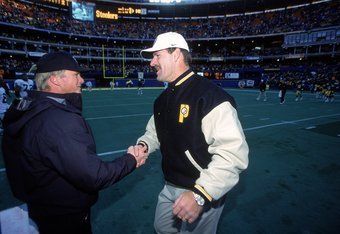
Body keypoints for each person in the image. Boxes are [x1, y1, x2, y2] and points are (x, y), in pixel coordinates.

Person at [2, 51, 148, 234]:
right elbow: (94, 175)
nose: (82, 80)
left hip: (41, 206)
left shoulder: (29, 107)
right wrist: (131, 160)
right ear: (55, 80)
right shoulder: (58, 120)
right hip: (64, 215)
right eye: (76, 75)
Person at [136, 32, 249, 234]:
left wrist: (200, 194)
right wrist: (143, 145)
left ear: (176, 54)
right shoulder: (162, 100)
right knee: (161, 228)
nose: (151, 62)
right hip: (170, 183)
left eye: (157, 55)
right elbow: (154, 133)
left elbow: (233, 155)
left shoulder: (211, 97)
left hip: (201, 188)